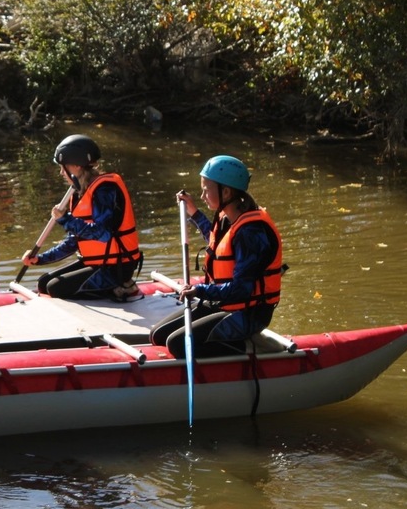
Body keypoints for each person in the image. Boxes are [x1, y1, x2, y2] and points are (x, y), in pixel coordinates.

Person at [149, 155, 284, 359]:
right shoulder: (227, 216)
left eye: (206, 189)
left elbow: (241, 290)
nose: (203, 195)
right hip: (224, 303)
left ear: (226, 191)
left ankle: (251, 346)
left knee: (177, 344)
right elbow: (216, 242)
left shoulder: (251, 233)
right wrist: (193, 212)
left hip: (248, 313)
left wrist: (199, 290)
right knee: (158, 335)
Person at [20, 134, 144, 301]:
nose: (61, 172)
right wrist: (40, 259)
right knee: (44, 283)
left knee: (55, 288)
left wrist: (65, 219)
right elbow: (74, 241)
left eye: (63, 167)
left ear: (77, 166)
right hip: (99, 262)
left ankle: (123, 286)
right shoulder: (79, 193)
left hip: (117, 267)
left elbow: (103, 234)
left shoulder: (105, 190)